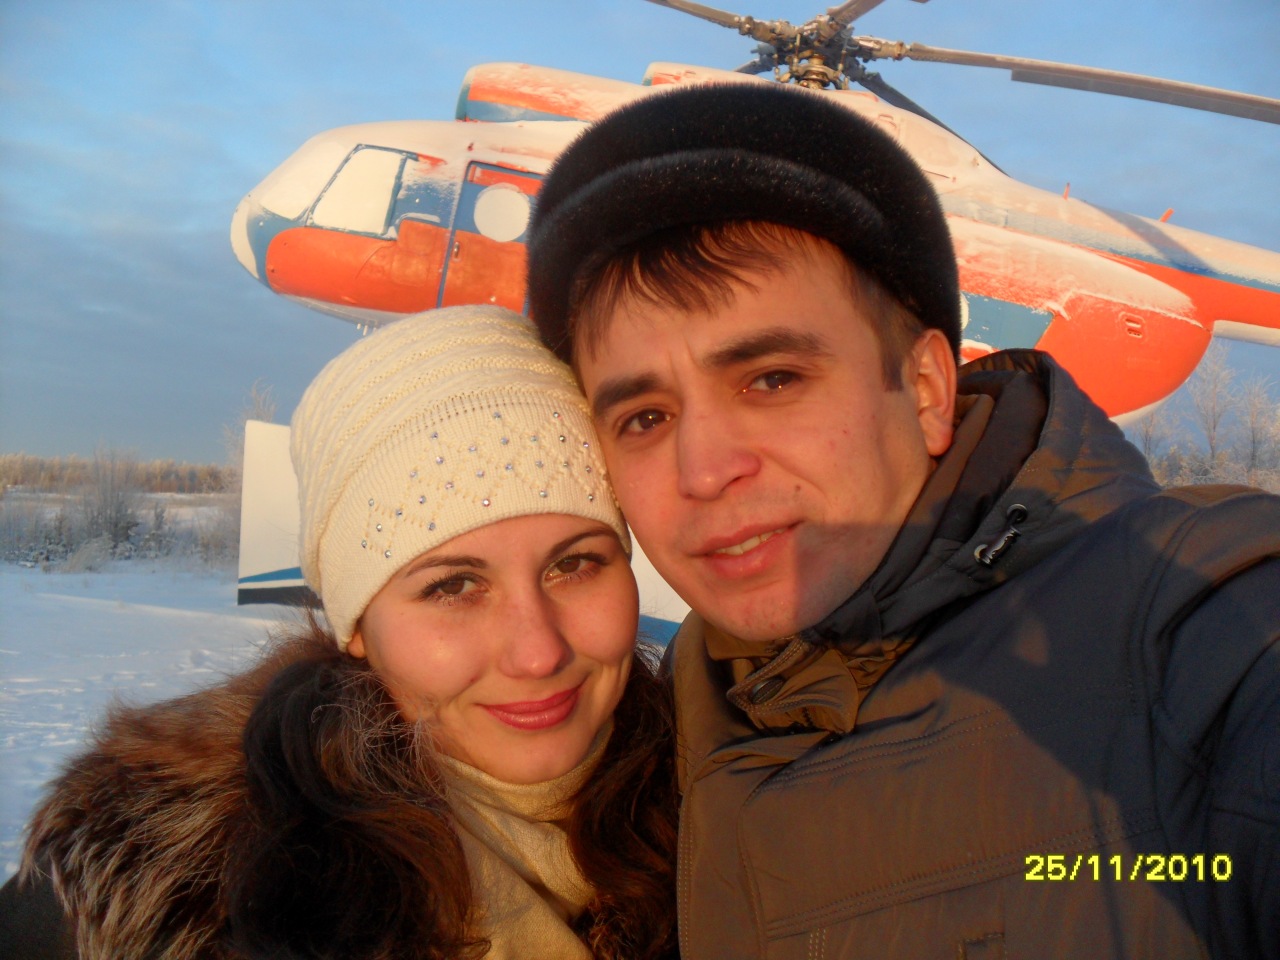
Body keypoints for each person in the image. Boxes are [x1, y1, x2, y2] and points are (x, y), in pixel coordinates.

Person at [523, 81, 1280, 959]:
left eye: (773, 380)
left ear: (924, 391)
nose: (703, 471)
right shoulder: (674, 714)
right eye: (645, 417)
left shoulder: (1202, 625)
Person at [0, 306, 677, 960]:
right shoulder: (143, 894)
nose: (538, 652)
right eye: (452, 587)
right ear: (357, 627)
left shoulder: (718, 805)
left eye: (575, 564)